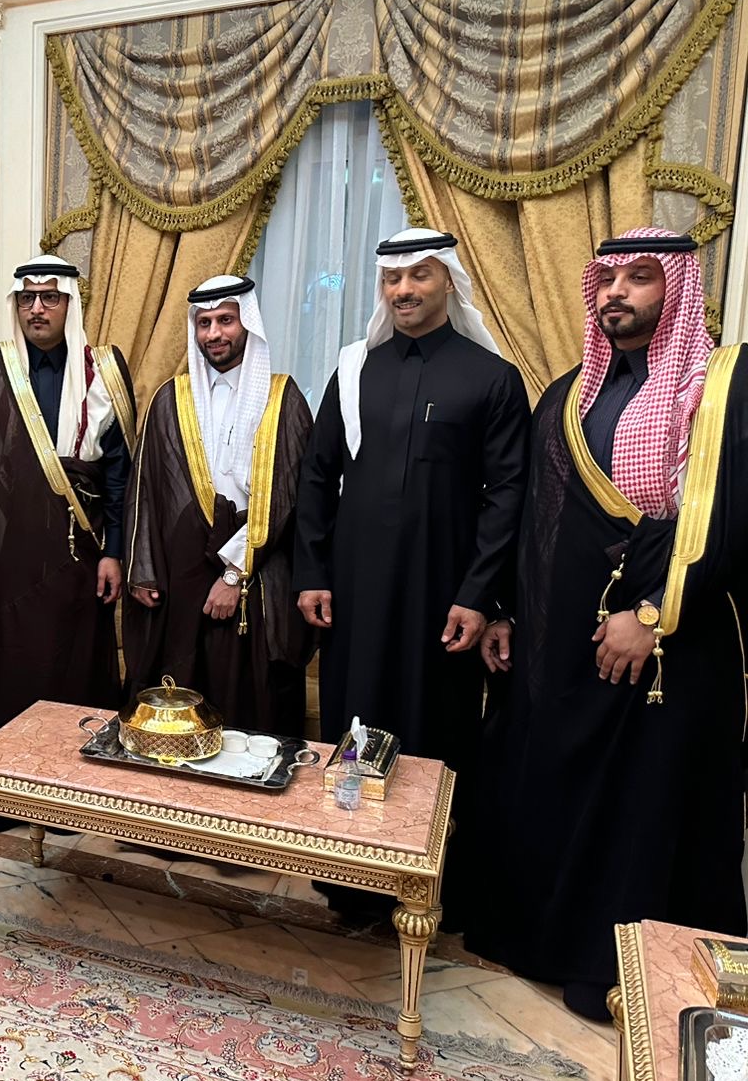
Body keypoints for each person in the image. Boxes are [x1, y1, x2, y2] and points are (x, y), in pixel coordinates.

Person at [460, 229, 744, 1020]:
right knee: (555, 785)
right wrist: (507, 611)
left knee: (641, 809)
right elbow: (535, 518)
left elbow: (728, 520)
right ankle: (547, 946)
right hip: (563, 648)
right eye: (607, 278)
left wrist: (652, 616)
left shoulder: (722, 387)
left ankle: (623, 975)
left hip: (669, 650)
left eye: (640, 277)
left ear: (677, 287)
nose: (617, 291)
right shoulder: (568, 394)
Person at [292, 228, 529, 768]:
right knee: (352, 719)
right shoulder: (353, 371)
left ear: (449, 282)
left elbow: (508, 495)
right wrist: (312, 572)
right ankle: (348, 814)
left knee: (434, 724)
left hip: (443, 588)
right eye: (392, 278)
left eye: (419, 275)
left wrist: (479, 596)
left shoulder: (493, 378)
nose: (404, 289)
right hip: (354, 587)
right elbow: (317, 476)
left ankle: (430, 824)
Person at [0, 256, 136, 745]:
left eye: (49, 297)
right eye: (27, 298)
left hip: (78, 553)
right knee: (9, 663)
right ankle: (3, 769)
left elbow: (119, 474)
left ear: (70, 304)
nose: (36, 309)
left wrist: (114, 551)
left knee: (73, 664)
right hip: (5, 558)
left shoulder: (104, 372)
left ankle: (70, 776)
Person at [124, 275, 314, 733]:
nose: (214, 333)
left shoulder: (282, 398)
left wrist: (234, 573)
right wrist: (142, 569)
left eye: (226, 320)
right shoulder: (170, 399)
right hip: (183, 574)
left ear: (247, 323)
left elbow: (288, 498)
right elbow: (145, 489)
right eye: (204, 323)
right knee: (180, 700)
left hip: (257, 575)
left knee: (248, 705)